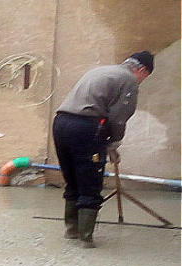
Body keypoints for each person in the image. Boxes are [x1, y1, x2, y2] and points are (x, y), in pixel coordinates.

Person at [52, 51, 154, 247]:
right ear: (141, 70)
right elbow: (119, 117)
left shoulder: (101, 71)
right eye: (145, 77)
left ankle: (71, 230)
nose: (142, 81)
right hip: (86, 127)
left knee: (72, 178)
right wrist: (114, 142)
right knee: (90, 181)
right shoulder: (128, 80)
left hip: (61, 123)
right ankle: (86, 238)